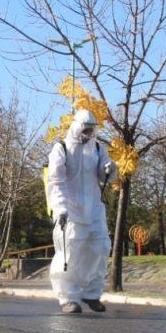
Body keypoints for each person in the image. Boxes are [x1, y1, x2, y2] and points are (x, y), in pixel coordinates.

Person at [46, 109, 114, 314]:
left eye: (90, 131)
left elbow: (105, 176)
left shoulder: (98, 149)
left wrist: (110, 168)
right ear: (76, 127)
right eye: (85, 130)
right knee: (69, 254)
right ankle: (68, 297)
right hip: (71, 210)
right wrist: (60, 208)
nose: (87, 135)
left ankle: (92, 293)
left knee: (100, 248)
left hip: (94, 209)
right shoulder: (62, 148)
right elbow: (55, 181)